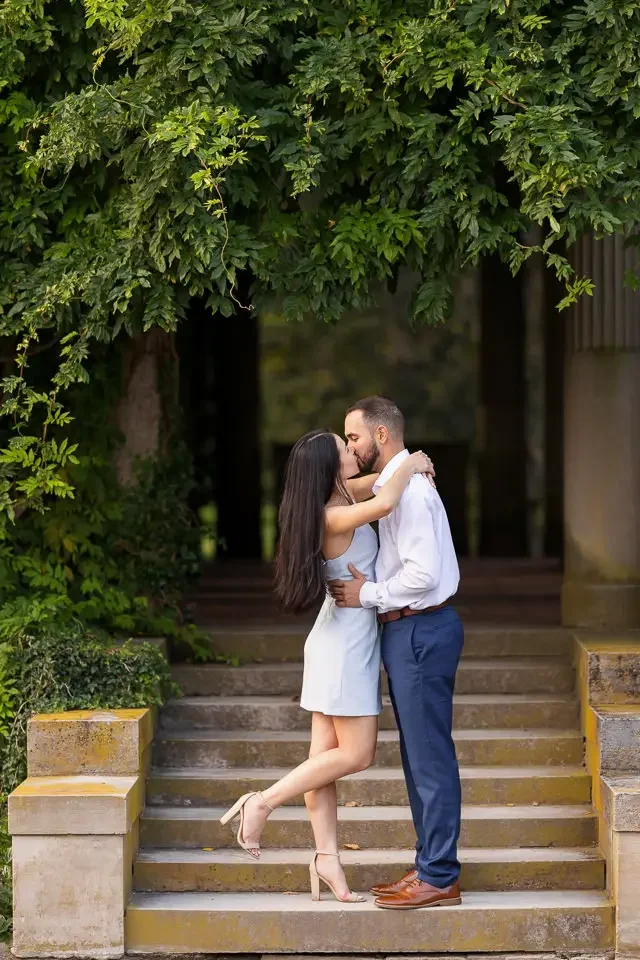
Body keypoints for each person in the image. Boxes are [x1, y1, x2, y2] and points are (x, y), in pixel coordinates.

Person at [219, 429, 434, 903]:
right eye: (345, 448)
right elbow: (383, 503)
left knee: (323, 762)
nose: (354, 450)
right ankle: (262, 802)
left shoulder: (338, 495)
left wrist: (395, 469)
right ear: (329, 467)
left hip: (338, 637)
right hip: (344, 649)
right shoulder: (332, 514)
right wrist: (412, 462)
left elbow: (377, 483)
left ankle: (326, 858)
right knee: (356, 755)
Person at [329, 396, 464, 911]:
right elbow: (403, 559)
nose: (352, 446)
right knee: (418, 754)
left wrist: (368, 594)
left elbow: (424, 575)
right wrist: (378, 583)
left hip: (421, 631)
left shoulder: (407, 493)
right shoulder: (397, 484)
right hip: (412, 630)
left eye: (355, 437)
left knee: (428, 756)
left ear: (381, 435)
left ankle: (439, 875)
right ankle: (430, 864)